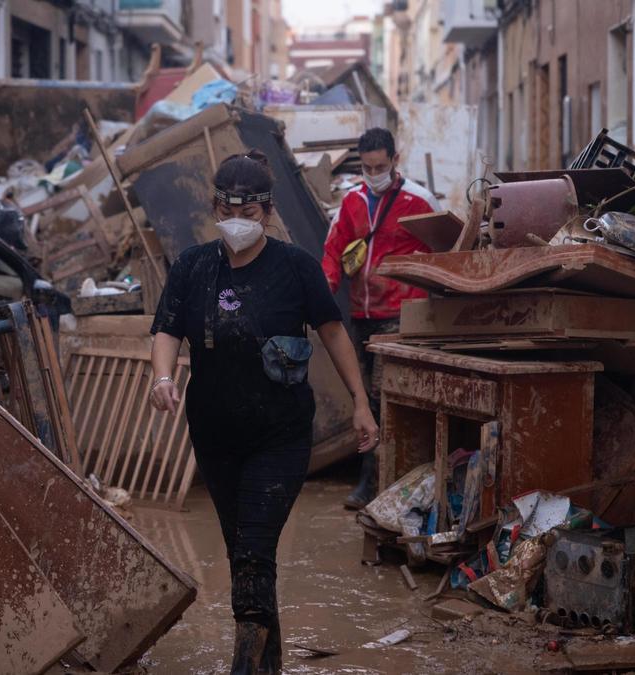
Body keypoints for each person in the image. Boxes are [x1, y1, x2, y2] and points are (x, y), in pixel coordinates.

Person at [149, 150, 379, 674]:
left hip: (280, 436)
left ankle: (243, 667)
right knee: (244, 551)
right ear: (215, 207)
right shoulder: (192, 267)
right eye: (229, 209)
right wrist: (162, 378)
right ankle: (269, 661)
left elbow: (334, 333)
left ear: (268, 212)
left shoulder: (295, 268)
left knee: (254, 546)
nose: (239, 221)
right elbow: (166, 328)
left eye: (249, 213)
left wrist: (361, 404)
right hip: (214, 437)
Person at [321, 127, 441, 510]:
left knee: (380, 395)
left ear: (394, 160)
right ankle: (375, 479)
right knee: (364, 398)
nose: (375, 173)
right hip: (362, 314)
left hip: (402, 315)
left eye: (381, 165)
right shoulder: (352, 203)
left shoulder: (419, 200)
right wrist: (323, 295)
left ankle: (372, 482)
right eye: (368, 166)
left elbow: (443, 251)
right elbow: (332, 253)